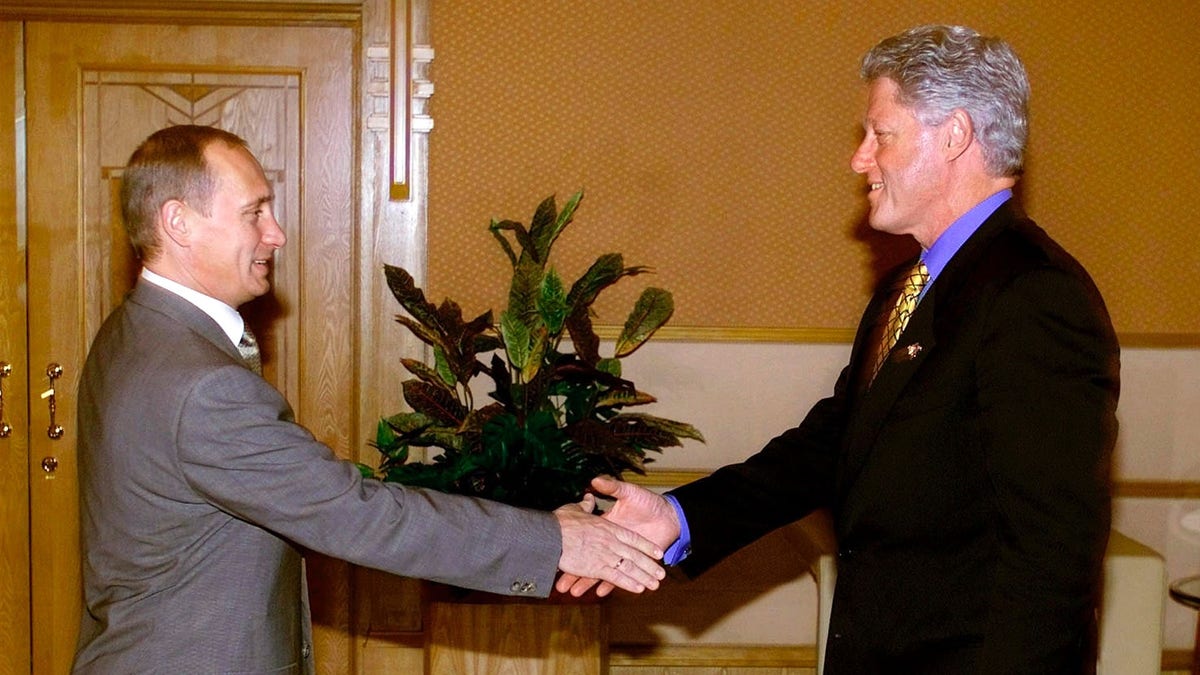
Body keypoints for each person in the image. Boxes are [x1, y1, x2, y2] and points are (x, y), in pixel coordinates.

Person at [565, 24, 1120, 674]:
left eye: (880, 134)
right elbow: (832, 447)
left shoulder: (1034, 294)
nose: (859, 159)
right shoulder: (906, 287)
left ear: (955, 135)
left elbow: (1051, 558)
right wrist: (680, 516)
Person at [73, 124, 665, 673]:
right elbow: (355, 514)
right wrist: (558, 542)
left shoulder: (134, 332)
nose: (275, 234)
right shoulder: (200, 383)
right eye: (254, 213)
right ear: (179, 222)